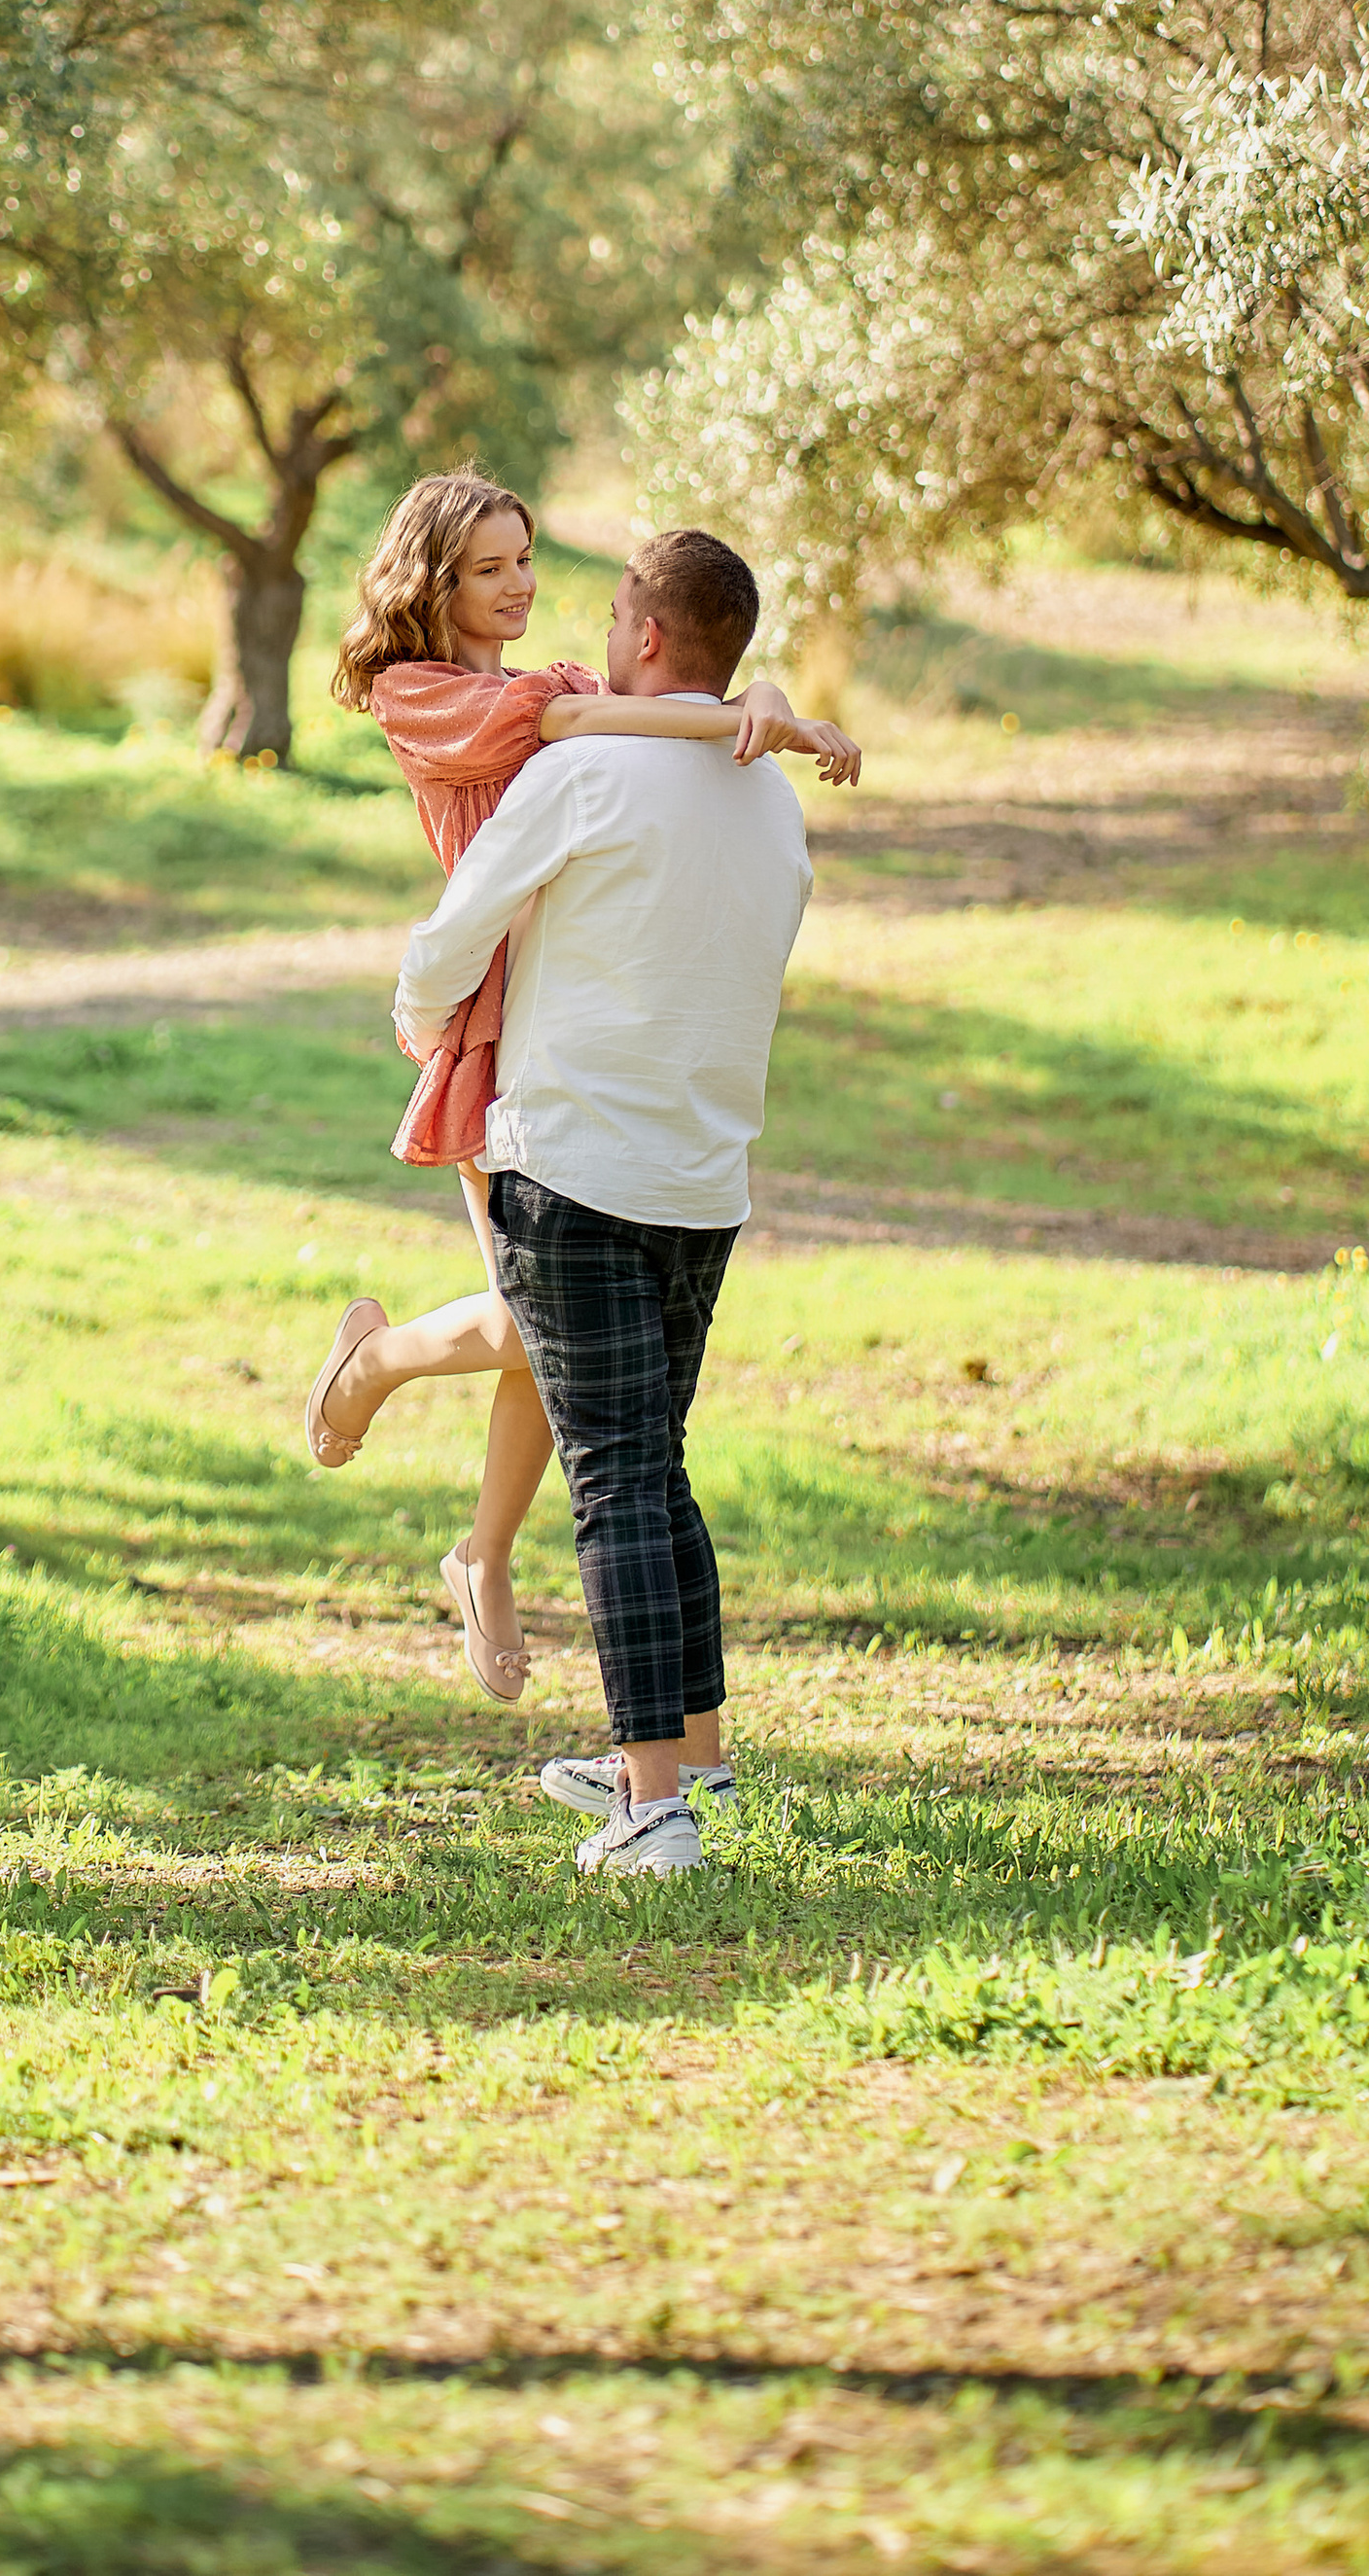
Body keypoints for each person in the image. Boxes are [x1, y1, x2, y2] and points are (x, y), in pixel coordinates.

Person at [308, 474, 858, 1707]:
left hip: (571, 994)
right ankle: (381, 1367)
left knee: (549, 1323)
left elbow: (651, 702)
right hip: (495, 1009)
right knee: (539, 1319)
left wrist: (752, 702)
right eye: (490, 569)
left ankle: (482, 1550)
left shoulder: (554, 679)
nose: (519, 587)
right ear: (433, 583)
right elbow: (603, 730)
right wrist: (753, 718)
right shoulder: (428, 698)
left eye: (526, 562)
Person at [392, 527, 814, 1874]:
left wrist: (420, 1024)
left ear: (641, 635)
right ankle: (697, 1759)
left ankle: (652, 1809)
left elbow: (460, 929)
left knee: (617, 1479)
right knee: (658, 1463)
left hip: (573, 1169)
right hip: (703, 1177)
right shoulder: (770, 797)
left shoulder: (583, 774)